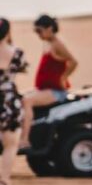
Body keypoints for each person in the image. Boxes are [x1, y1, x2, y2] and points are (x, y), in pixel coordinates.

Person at [19, 14, 75, 154]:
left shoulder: (57, 44)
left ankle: (24, 140)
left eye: (40, 31)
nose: (38, 35)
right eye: (36, 31)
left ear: (49, 28)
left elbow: (73, 61)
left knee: (27, 101)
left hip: (56, 91)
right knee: (20, 97)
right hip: (45, 88)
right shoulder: (48, 43)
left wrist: (63, 78)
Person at [0, 19, 26, 185]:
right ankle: (4, 180)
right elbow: (21, 68)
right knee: (11, 144)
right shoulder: (16, 52)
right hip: (9, 99)